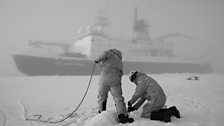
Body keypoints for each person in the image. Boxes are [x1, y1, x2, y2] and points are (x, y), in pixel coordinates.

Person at [94, 49, 134, 124]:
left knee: (102, 97)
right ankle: (122, 116)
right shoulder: (120, 62)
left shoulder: (109, 54)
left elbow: (104, 54)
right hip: (115, 80)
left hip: (104, 79)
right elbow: (121, 73)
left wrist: (97, 60)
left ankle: (101, 114)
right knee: (118, 98)